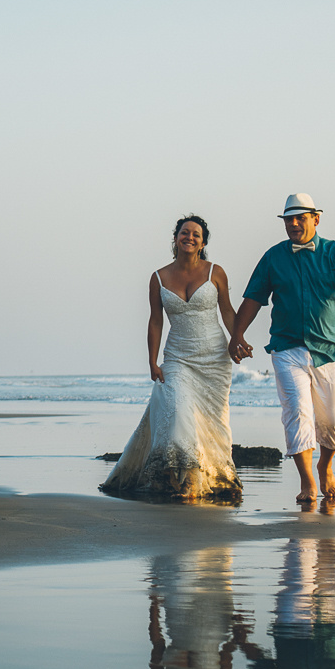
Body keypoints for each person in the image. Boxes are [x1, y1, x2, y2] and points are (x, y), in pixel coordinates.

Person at [228, 193, 335, 507]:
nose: (294, 224)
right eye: (289, 220)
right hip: (286, 347)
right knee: (297, 412)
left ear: (316, 219)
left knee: (332, 418)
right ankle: (307, 479)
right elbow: (253, 298)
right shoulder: (273, 258)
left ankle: (325, 465)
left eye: (300, 218)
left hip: (328, 350)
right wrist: (237, 334)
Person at [104, 214, 241, 502]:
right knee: (179, 413)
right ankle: (182, 481)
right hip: (178, 357)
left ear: (203, 243)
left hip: (214, 360)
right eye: (184, 232)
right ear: (176, 238)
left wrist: (237, 338)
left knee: (214, 422)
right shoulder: (158, 277)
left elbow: (228, 311)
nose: (189, 237)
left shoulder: (216, 272)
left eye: (196, 235)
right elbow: (155, 321)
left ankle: (216, 477)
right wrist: (152, 361)